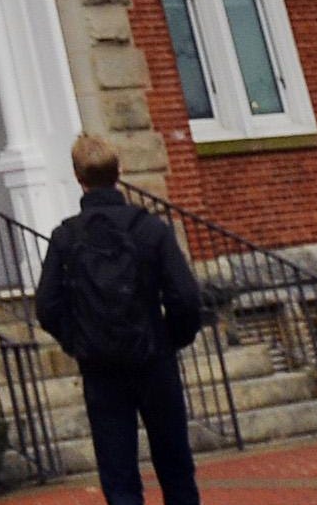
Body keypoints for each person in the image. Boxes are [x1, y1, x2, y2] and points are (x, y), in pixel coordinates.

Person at [34, 133, 211, 505]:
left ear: (78, 177)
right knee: (176, 468)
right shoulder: (152, 230)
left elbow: (47, 306)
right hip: (154, 360)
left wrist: (78, 340)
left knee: (119, 477)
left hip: (101, 369)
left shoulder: (65, 238)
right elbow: (186, 298)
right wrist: (170, 338)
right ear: (119, 172)